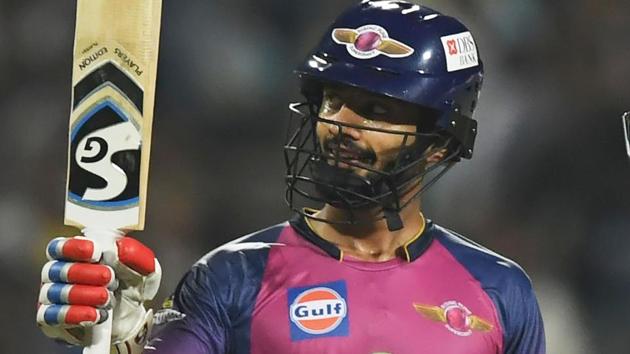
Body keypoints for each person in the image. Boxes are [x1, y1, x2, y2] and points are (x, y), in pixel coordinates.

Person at [37, 1, 546, 353]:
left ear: (439, 143)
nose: (340, 125)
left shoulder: (500, 292)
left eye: (374, 110)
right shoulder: (232, 278)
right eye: (333, 100)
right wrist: (121, 340)